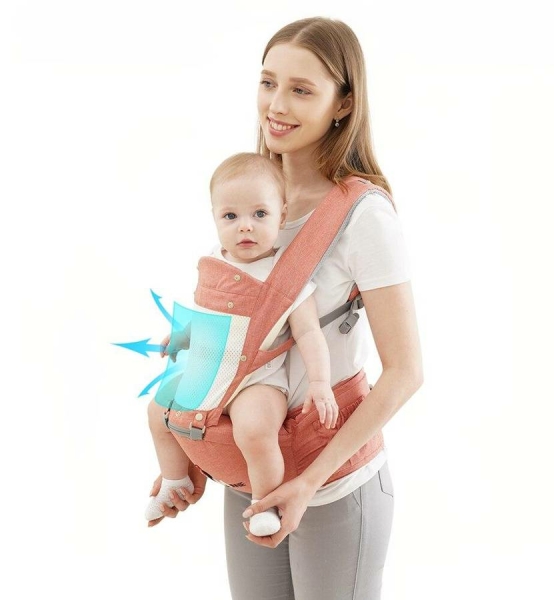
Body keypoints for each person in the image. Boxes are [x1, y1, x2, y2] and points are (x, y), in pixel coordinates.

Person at [148, 17, 423, 600]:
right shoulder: (248, 197)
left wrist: (310, 482)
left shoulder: (364, 216)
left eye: (301, 89)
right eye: (268, 82)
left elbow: (406, 372)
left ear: (343, 104)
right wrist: (191, 455)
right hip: (254, 468)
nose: (276, 105)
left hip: (334, 481)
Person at [146, 152, 339, 537]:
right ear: (215, 218)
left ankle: (264, 502)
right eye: (230, 216)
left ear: (282, 216)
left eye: (260, 214)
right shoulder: (215, 262)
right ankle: (174, 480)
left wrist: (320, 383)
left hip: (259, 378)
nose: (245, 227)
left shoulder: (287, 276)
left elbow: (308, 333)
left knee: (254, 430)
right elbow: (208, 310)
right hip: (211, 366)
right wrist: (183, 333)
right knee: (158, 412)